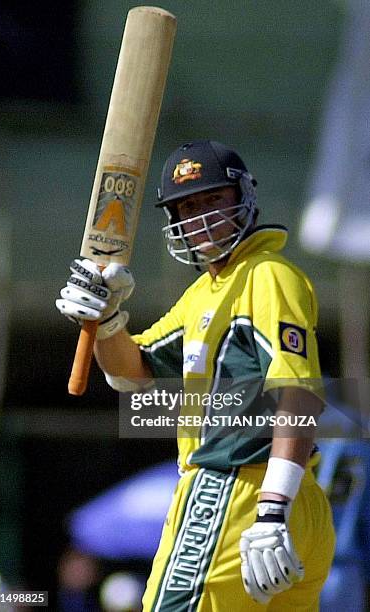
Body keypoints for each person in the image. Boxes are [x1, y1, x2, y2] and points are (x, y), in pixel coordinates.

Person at [56, 140, 335, 611]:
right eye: (187, 207)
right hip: (294, 501)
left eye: (212, 200)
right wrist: (106, 320)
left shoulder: (267, 273)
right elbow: (134, 372)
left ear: (243, 197)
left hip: (239, 492)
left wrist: (271, 509)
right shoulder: (204, 293)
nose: (200, 218)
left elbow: (299, 395)